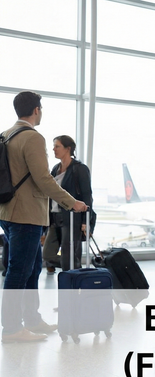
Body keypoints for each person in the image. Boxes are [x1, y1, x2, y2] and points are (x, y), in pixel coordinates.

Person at [1, 91, 88, 343]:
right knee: (19, 271)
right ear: (36, 110)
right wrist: (72, 203)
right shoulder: (32, 137)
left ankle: (32, 319)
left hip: (7, 211)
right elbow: (43, 179)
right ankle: (12, 328)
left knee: (31, 269)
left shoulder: (6, 135)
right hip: (26, 215)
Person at [42, 135, 93, 274]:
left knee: (68, 255)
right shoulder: (55, 169)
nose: (53, 149)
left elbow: (87, 196)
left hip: (71, 219)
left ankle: (71, 276)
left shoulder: (79, 169)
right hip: (54, 218)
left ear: (68, 148)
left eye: (57, 146)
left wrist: (85, 221)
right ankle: (75, 268)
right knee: (47, 254)